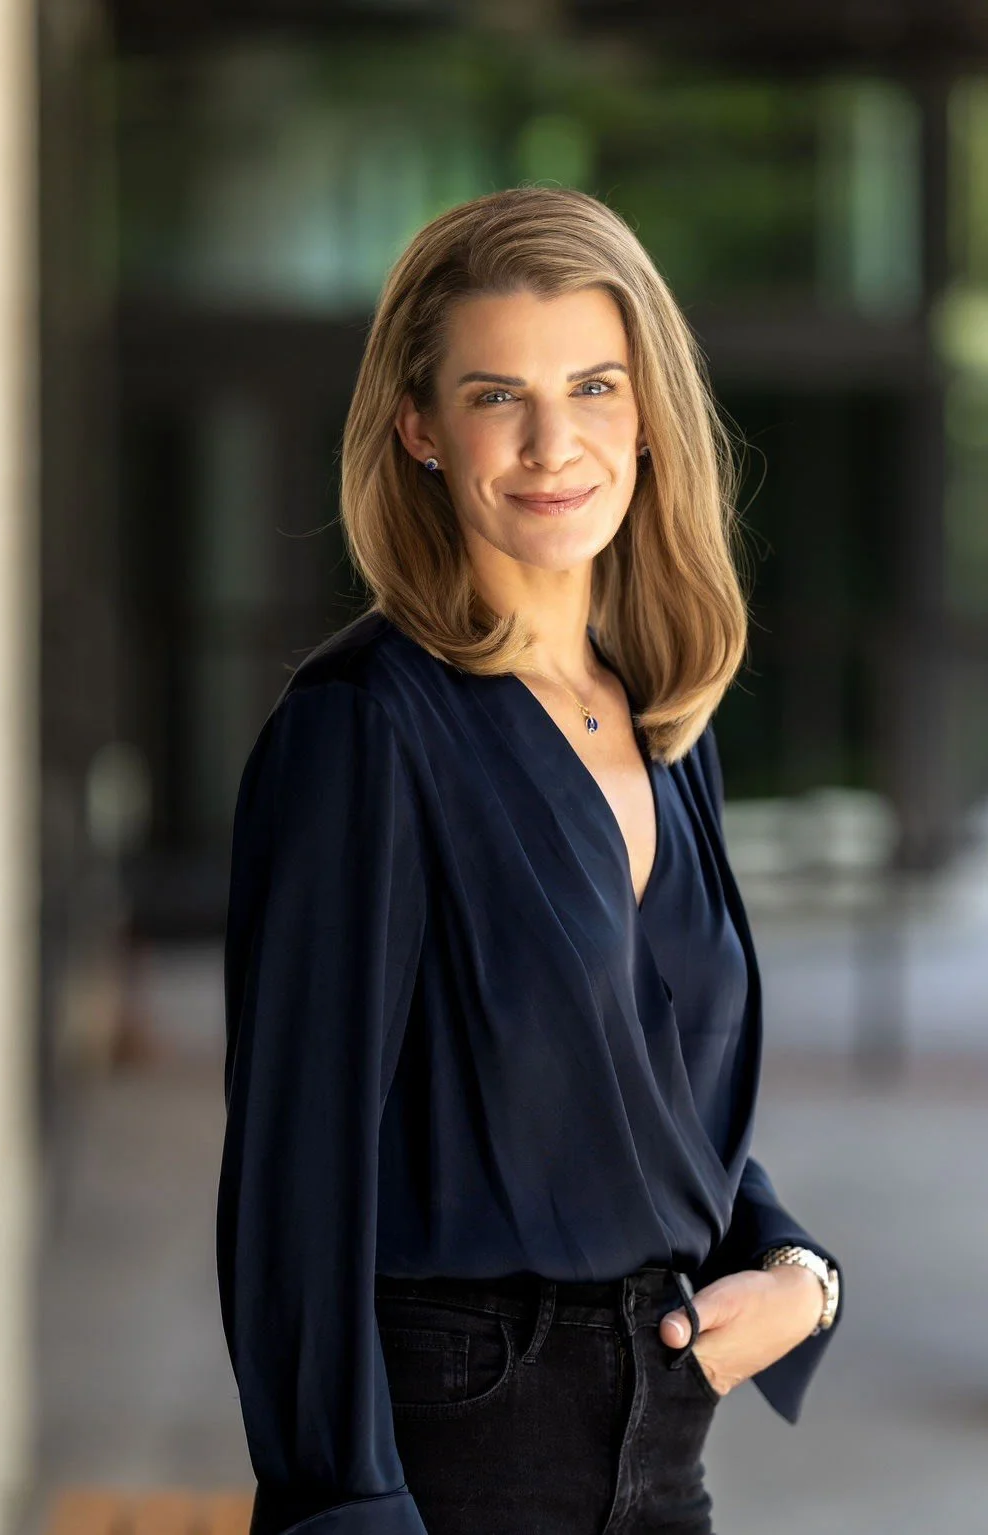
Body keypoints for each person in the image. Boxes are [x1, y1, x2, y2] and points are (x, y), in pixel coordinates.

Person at [216, 185, 843, 1535]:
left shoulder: (665, 715)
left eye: (596, 385)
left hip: (661, 1446)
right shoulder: (365, 730)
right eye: (498, 394)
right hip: (457, 1450)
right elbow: (294, 1183)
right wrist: (347, 1510)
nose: (555, 442)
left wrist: (796, 1270)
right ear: (420, 427)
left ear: (647, 412)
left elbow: (646, 1097)